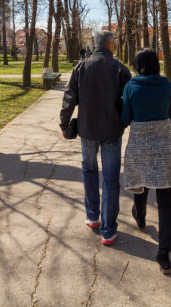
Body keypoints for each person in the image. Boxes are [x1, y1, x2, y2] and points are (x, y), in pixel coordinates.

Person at [60, 30, 131, 245]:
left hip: (87, 130)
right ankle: (108, 230)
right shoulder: (120, 69)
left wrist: (64, 124)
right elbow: (129, 99)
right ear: (110, 45)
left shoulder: (81, 67)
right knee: (110, 179)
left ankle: (93, 216)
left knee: (89, 171)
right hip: (112, 132)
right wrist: (124, 121)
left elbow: (69, 97)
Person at [121, 48, 171, 274]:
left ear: (137, 64)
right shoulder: (167, 86)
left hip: (140, 144)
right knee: (166, 200)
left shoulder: (131, 86)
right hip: (165, 145)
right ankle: (164, 254)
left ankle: (140, 217)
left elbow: (125, 117)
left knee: (141, 184)